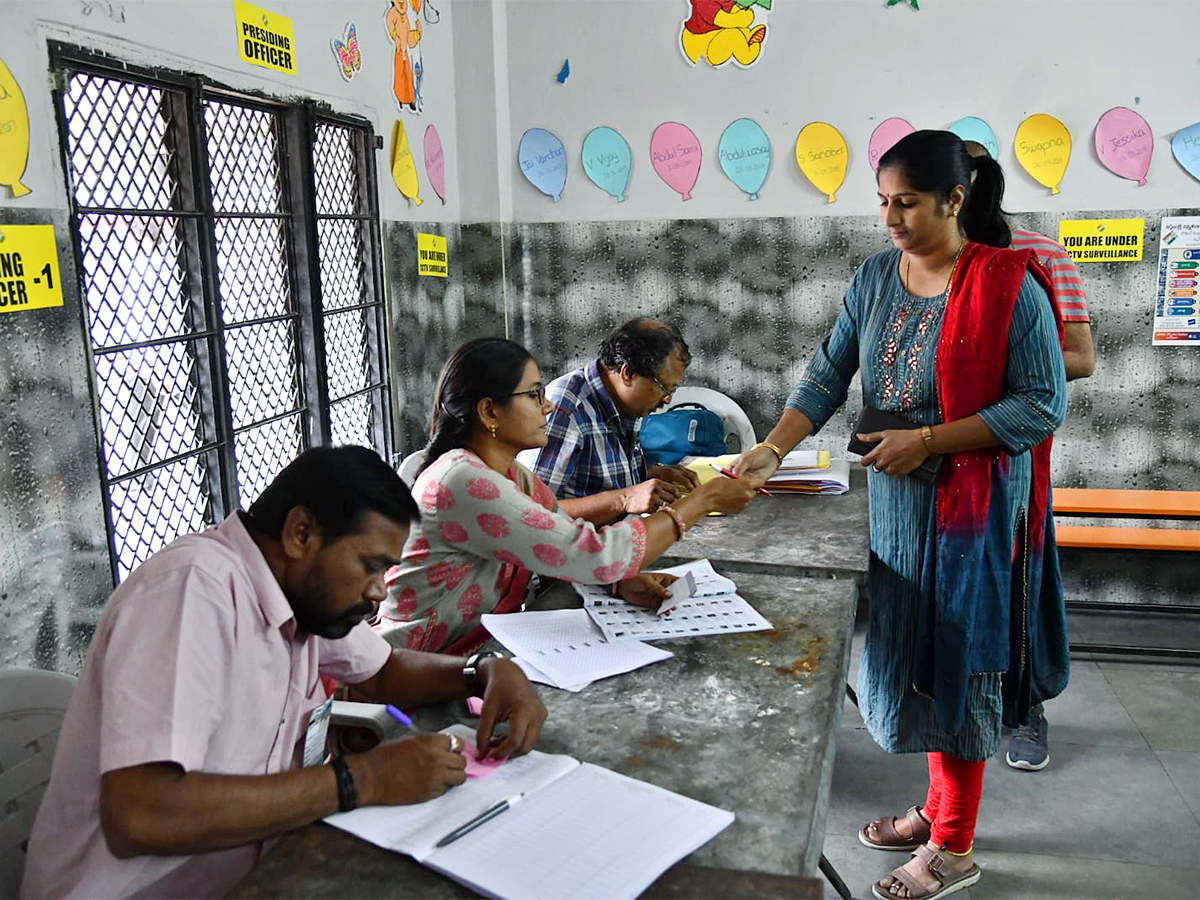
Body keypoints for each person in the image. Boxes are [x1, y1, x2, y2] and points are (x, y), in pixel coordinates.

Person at [733, 130, 1069, 900]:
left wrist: (927, 441)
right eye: (882, 202)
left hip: (974, 517)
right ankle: (938, 808)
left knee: (961, 666)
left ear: (954, 200)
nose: (889, 218)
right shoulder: (877, 277)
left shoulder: (1010, 284)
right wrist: (771, 451)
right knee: (915, 665)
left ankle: (953, 849)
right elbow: (826, 374)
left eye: (906, 203)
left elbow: (1041, 402)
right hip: (897, 509)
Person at [21, 445, 546, 899]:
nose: (379, 592)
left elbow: (384, 671)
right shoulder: (193, 592)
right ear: (301, 533)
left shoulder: (300, 593)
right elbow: (142, 813)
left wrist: (484, 671)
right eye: (369, 566)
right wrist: (362, 780)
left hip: (253, 875)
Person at [377, 337, 756, 654]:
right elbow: (596, 553)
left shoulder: (507, 473)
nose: (548, 405)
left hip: (480, 650)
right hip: (416, 668)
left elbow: (556, 535)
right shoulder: (462, 481)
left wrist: (617, 583)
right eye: (534, 394)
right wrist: (701, 502)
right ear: (490, 411)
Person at [963, 139, 1094, 772]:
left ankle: (1029, 706)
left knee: (1022, 576)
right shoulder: (925, 259)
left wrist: (999, 378)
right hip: (943, 458)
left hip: (1014, 451)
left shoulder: (1038, 254)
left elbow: (1082, 359)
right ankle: (962, 713)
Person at [528, 318, 702, 526]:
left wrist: (645, 474)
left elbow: (596, 480)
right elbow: (534, 512)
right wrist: (625, 499)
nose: (668, 399)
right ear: (627, 373)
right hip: (576, 552)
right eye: (665, 388)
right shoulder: (566, 410)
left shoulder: (625, 401)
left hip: (620, 540)